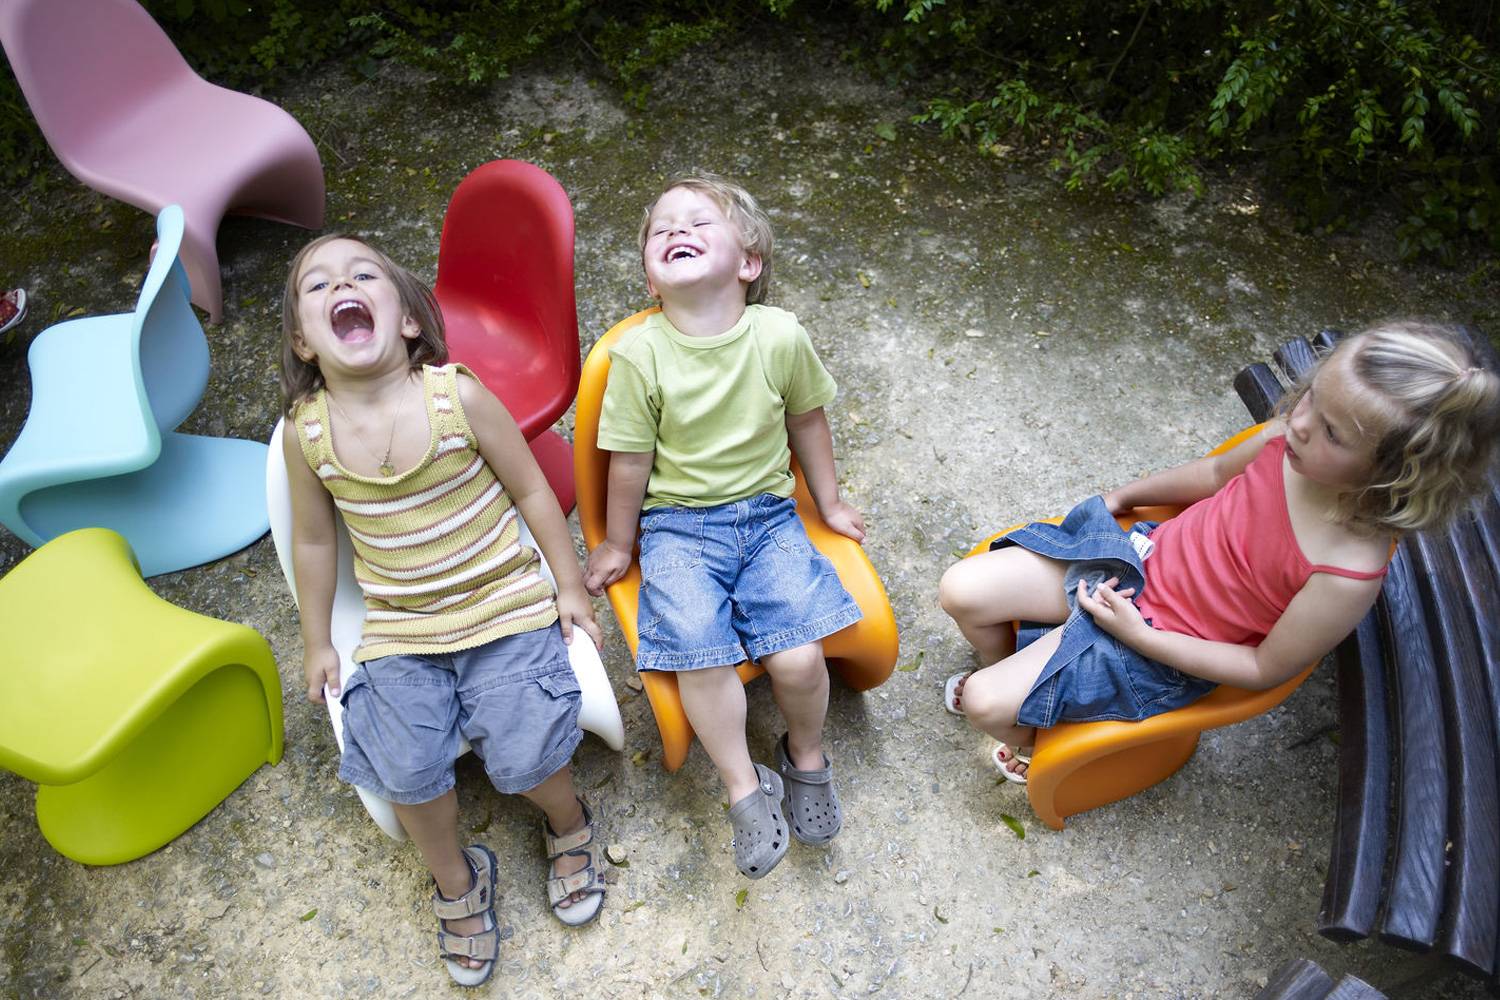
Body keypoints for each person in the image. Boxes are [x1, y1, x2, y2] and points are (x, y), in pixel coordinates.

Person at [939, 322, 1500, 783]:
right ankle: (1017, 674)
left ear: (1396, 472)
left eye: (1332, 432)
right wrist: (1127, 496)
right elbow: (1211, 474)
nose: (1300, 423)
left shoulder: (1347, 571)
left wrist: (1141, 636)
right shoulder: (1285, 440)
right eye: (1312, 398)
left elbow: (1263, 668)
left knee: (985, 705)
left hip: (1164, 646)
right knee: (960, 589)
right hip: (1140, 561)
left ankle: (1033, 739)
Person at [279, 235, 606, 988]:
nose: (342, 286)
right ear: (303, 340)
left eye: (363, 275)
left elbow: (531, 490)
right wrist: (316, 639)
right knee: (405, 769)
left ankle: (568, 821)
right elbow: (313, 540)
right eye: (318, 285)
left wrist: (568, 585)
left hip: (503, 606)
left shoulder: (456, 397)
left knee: (526, 750)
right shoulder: (308, 434)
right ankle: (458, 879)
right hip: (401, 628)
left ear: (407, 321)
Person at [583, 174, 865, 879]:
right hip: (676, 529)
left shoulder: (778, 335)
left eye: (698, 221)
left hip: (768, 520)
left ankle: (804, 754)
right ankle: (742, 786)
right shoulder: (639, 354)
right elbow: (627, 462)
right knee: (698, 657)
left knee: (799, 658)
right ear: (651, 277)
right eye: (661, 228)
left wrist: (829, 503)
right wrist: (618, 542)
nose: (676, 230)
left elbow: (807, 420)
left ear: (748, 262)